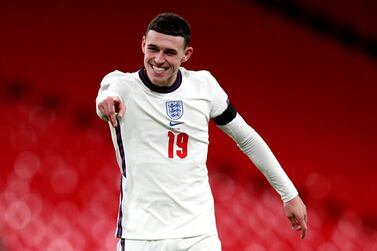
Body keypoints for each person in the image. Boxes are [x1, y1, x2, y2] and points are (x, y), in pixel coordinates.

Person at [96, 12, 307, 251]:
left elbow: (246, 138)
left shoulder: (204, 87)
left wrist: (289, 194)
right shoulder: (122, 85)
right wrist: (107, 103)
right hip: (141, 237)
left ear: (187, 55)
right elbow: (106, 97)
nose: (158, 59)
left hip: (198, 235)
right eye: (153, 48)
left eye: (169, 52)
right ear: (143, 44)